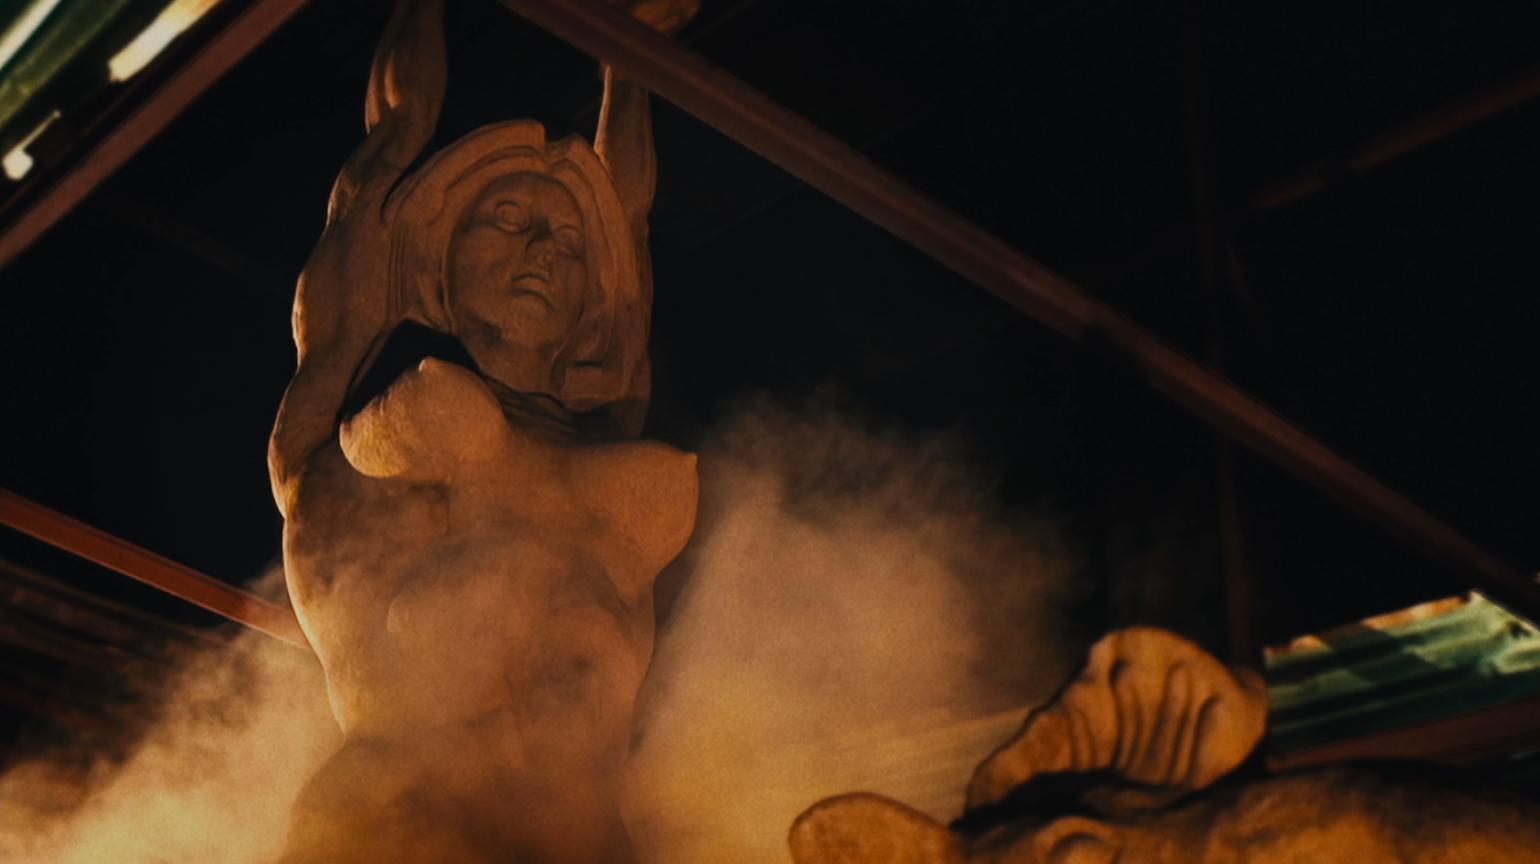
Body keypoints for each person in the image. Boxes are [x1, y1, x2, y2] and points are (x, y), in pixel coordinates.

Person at [268, 1, 699, 860]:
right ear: (440, 256)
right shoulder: (355, 420)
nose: (545, 249)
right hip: (396, 834)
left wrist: (632, 60)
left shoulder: (604, 432)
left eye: (569, 242)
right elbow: (386, 151)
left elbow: (627, 226)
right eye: (508, 219)